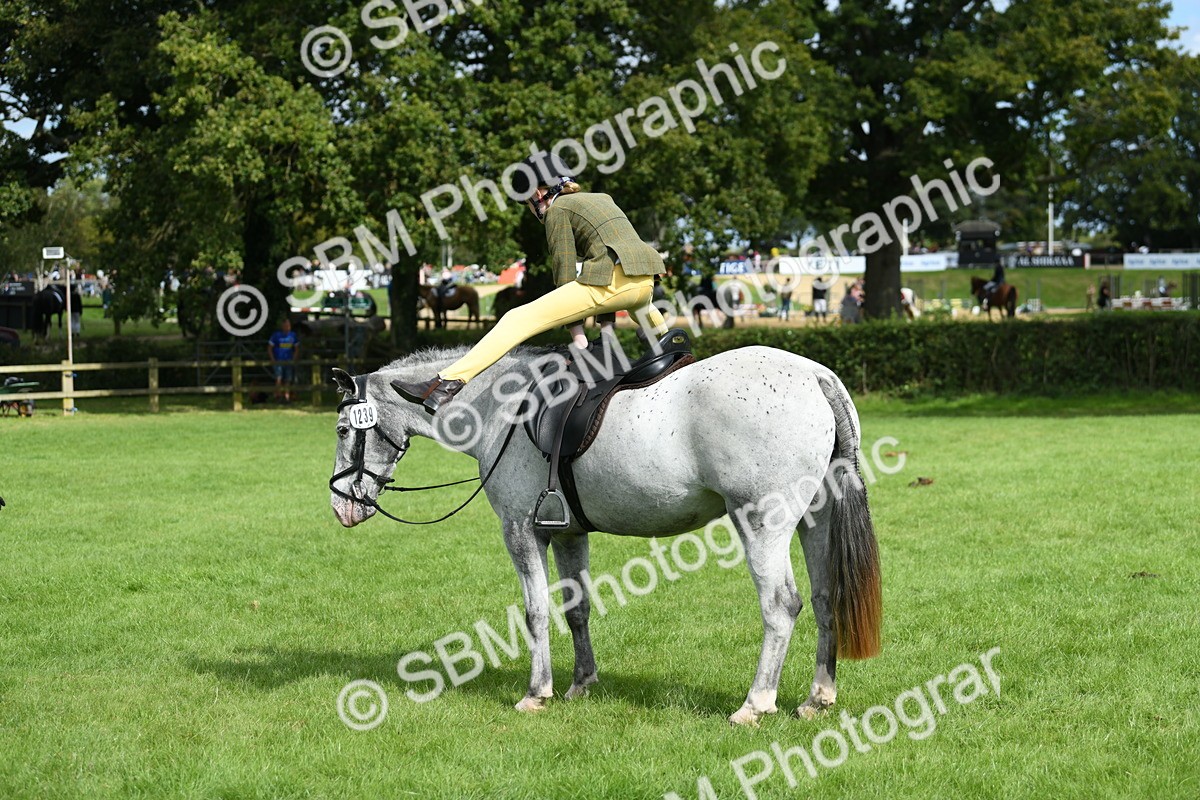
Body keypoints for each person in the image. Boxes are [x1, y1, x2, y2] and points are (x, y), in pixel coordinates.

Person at [392, 155, 670, 413]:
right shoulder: (602, 198)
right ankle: (673, 349)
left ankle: (445, 383)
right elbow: (605, 258)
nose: (530, 210)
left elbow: (564, 270)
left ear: (537, 194)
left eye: (527, 203)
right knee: (647, 317)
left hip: (612, 282)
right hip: (643, 283)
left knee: (516, 318)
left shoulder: (557, 209)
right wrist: (606, 334)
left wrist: (580, 339)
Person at [268, 318, 299, 402]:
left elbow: (296, 348)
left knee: (288, 379)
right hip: (278, 361)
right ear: (282, 326)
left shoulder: (293, 335)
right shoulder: (276, 335)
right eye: (286, 326)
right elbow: (270, 348)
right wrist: (272, 359)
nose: (287, 327)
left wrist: (294, 359)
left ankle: (287, 396)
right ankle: (278, 396)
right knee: (279, 378)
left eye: (288, 325)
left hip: (288, 361)